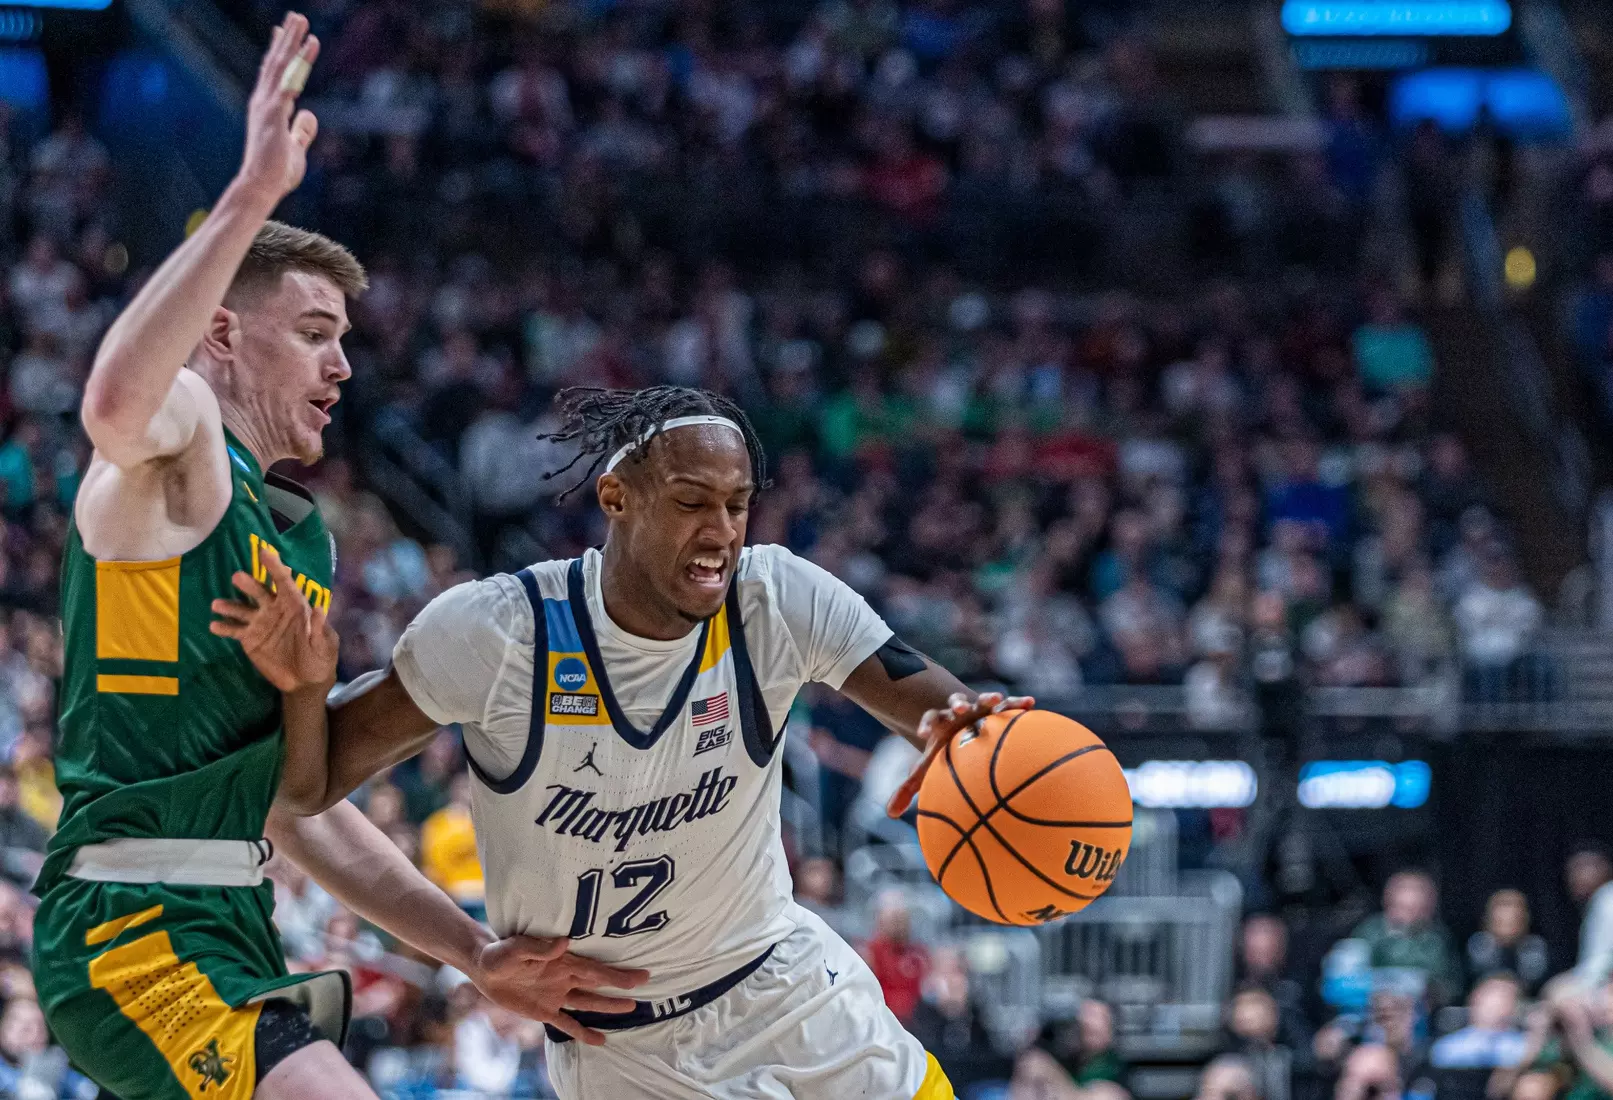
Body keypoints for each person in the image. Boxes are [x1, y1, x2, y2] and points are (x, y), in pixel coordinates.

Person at [29, 16, 642, 1100]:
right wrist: (250, 195)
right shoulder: (182, 445)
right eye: (315, 331)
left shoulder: (296, 533)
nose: (342, 365)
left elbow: (297, 806)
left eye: (345, 338)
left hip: (230, 916)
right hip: (131, 920)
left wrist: (474, 951)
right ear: (225, 335)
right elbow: (114, 400)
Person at [224, 384, 1036, 1098]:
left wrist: (982, 746)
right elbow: (301, 791)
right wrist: (304, 689)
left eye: (737, 504)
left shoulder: (774, 597)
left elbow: (943, 711)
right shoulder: (500, 633)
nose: (721, 531)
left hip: (792, 988)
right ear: (615, 497)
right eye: (691, 502)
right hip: (624, 1047)